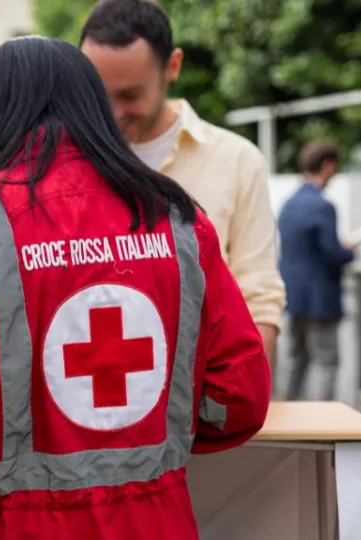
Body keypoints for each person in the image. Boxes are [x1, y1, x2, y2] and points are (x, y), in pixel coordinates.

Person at [0, 36, 271, 540]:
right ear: (94, 105)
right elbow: (238, 396)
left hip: (10, 527)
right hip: (158, 522)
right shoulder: (178, 217)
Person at [79, 0, 285, 382]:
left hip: (204, 401)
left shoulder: (236, 161)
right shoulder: (62, 165)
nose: (112, 113)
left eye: (129, 96)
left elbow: (259, 297)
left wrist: (247, 405)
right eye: (97, 93)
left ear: (172, 66)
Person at [278, 141, 354, 401]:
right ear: (327, 165)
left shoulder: (288, 204)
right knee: (326, 360)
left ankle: (287, 413)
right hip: (321, 299)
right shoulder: (323, 206)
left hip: (293, 296)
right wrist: (349, 250)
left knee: (296, 358)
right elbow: (332, 253)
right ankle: (323, 423)